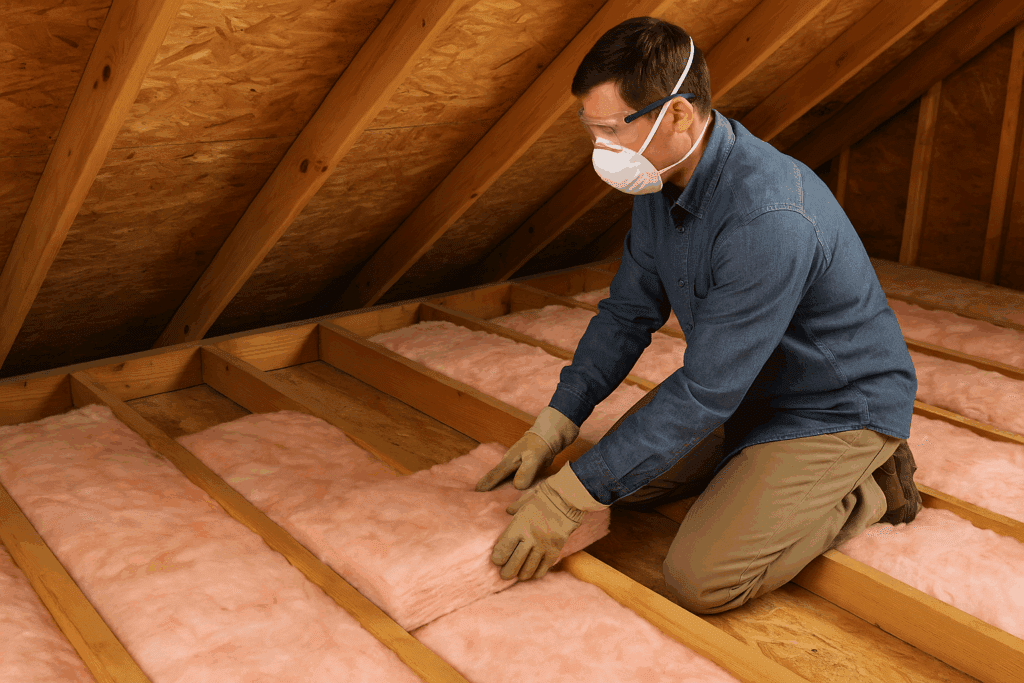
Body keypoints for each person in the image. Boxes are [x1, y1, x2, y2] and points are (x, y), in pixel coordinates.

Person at [474, 16, 923, 615]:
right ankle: (755, 465)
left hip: (833, 405)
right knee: (622, 485)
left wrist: (563, 502)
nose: (601, 151)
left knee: (701, 579)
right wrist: (555, 422)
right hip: (744, 385)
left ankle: (863, 486)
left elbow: (707, 389)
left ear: (679, 115)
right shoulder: (659, 181)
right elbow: (627, 313)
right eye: (592, 131)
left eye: (611, 131)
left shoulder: (770, 216)